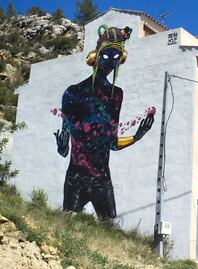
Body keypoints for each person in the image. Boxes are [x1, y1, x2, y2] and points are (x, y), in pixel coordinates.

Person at [54, 25, 154, 219]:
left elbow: (111, 143)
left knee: (109, 232)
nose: (110, 63)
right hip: (76, 178)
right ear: (96, 56)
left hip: (102, 180)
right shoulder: (73, 92)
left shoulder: (116, 95)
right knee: (67, 227)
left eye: (116, 58)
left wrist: (137, 136)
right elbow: (65, 148)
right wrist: (61, 147)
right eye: (106, 56)